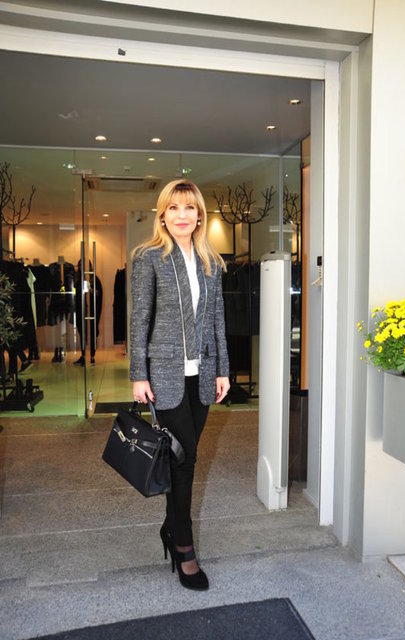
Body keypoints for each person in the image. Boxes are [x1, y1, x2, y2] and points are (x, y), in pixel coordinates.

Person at [130, 179, 230, 591]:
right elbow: (139, 319)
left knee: (182, 459)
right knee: (184, 457)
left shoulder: (211, 262)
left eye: (189, 208)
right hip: (165, 374)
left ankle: (172, 529)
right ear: (163, 215)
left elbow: (217, 319)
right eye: (174, 208)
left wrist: (223, 369)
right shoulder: (148, 258)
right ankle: (184, 546)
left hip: (202, 375)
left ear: (200, 216)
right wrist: (138, 374)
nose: (182, 215)